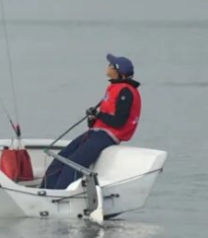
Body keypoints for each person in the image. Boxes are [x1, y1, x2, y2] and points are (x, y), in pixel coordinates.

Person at [41, 54, 141, 190]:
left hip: (107, 137)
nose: (108, 66)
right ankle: (45, 191)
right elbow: (105, 118)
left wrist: (98, 114)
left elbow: (118, 122)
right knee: (61, 159)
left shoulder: (125, 92)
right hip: (96, 133)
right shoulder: (115, 88)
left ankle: (60, 196)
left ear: (117, 71)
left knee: (73, 164)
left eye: (110, 65)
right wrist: (93, 118)